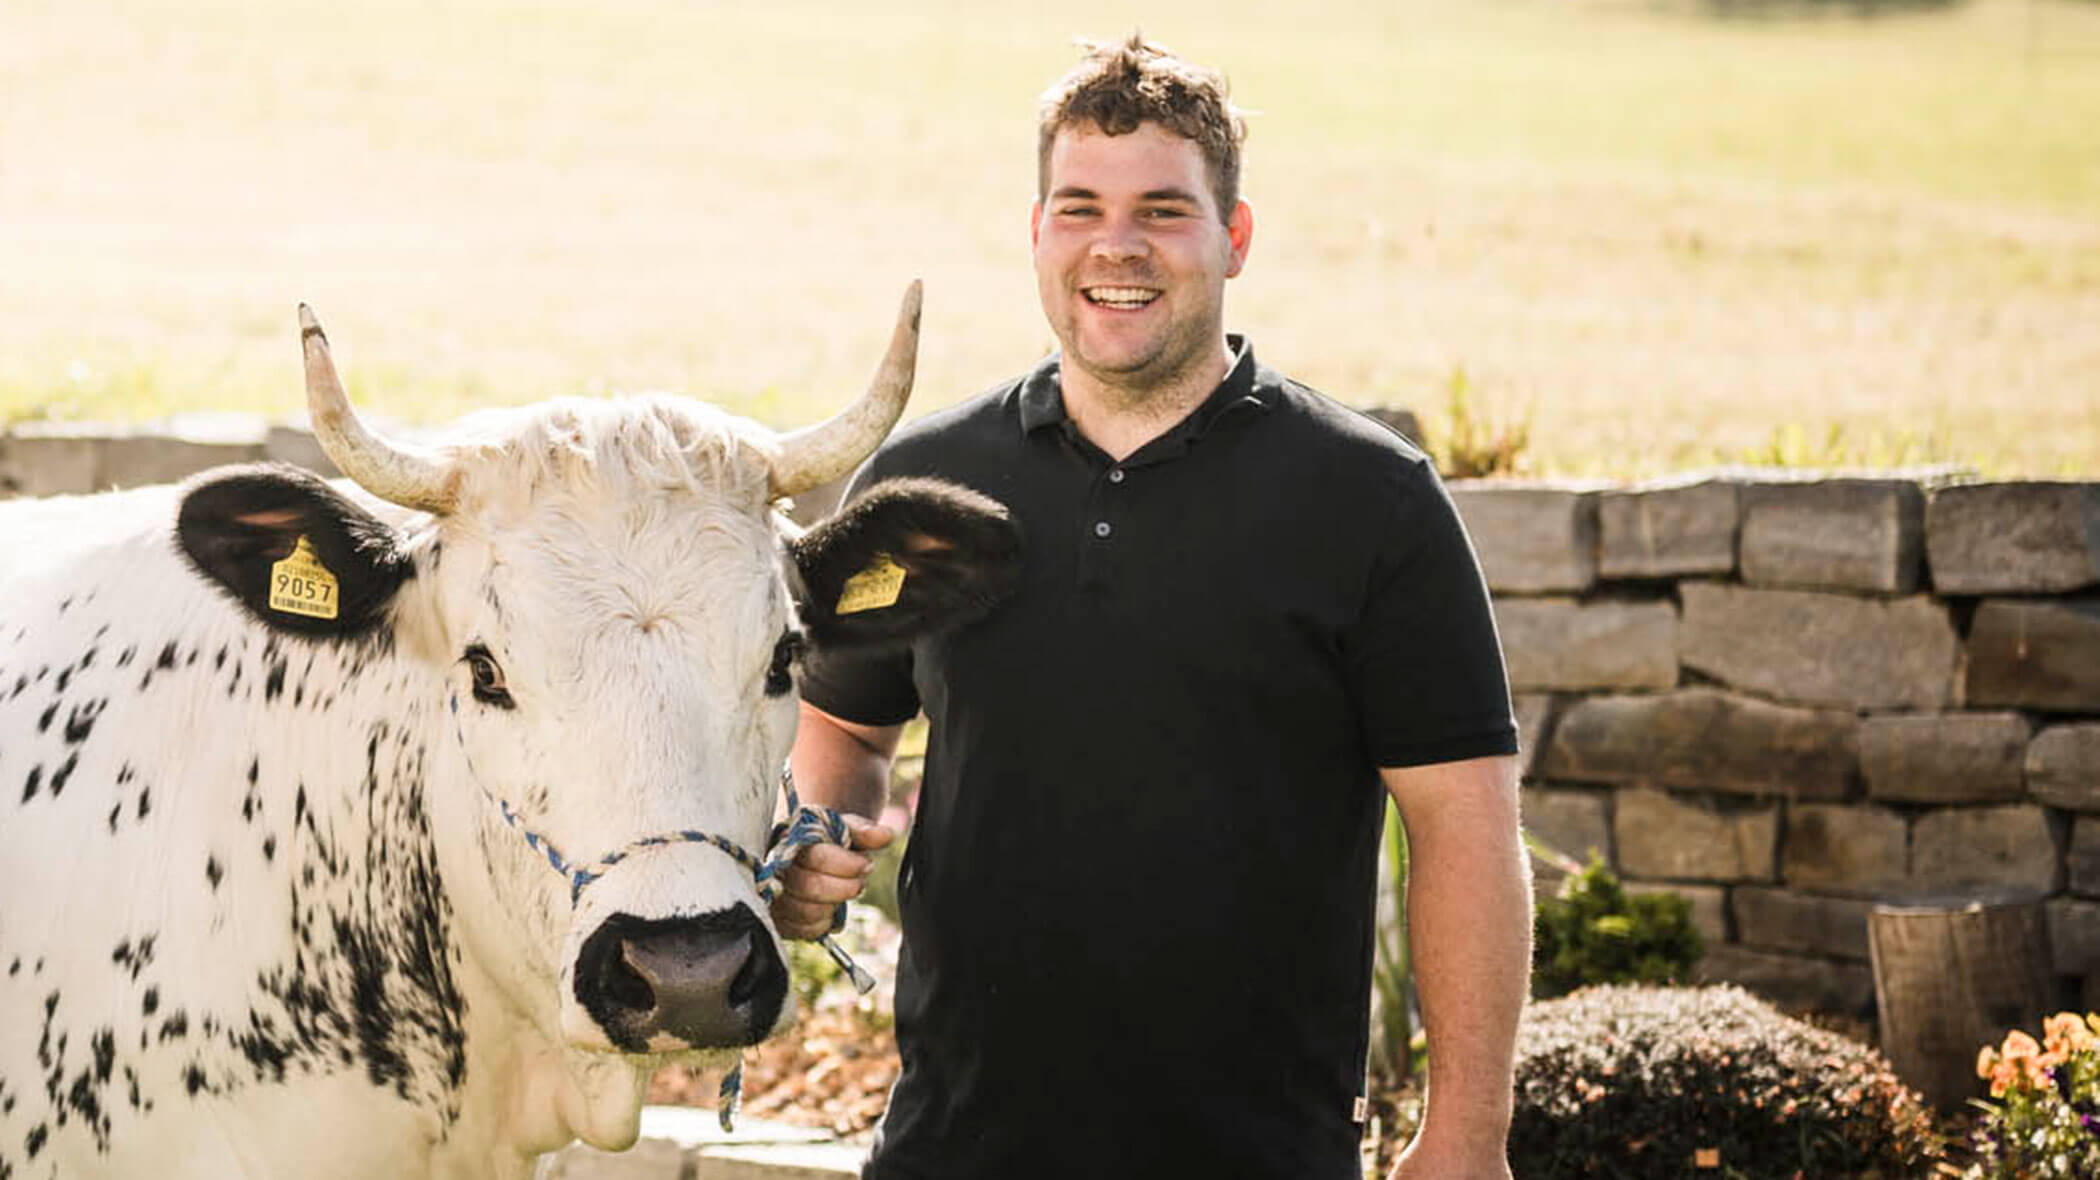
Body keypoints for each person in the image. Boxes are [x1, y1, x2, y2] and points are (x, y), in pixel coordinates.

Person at [775, 35, 1529, 1180]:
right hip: (955, 1147)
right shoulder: (926, 487)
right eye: (1078, 207)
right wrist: (811, 838)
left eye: (1163, 211)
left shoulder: (1370, 500)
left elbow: (1464, 824)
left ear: (1234, 238)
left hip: (1257, 1153)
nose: (1114, 246)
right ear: (1036, 234)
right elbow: (840, 722)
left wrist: (1467, 1135)